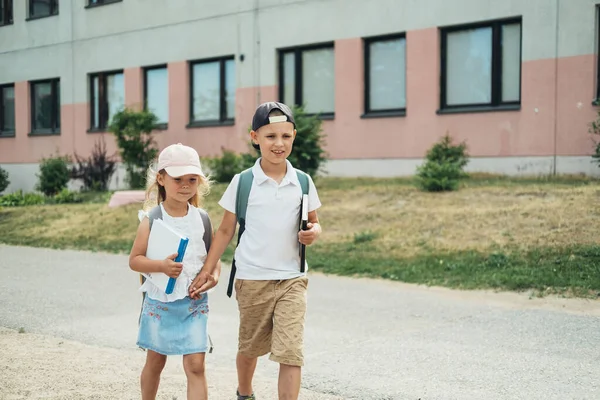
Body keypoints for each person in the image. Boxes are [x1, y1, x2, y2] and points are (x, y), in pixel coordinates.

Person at [189, 102, 323, 400]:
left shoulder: (302, 181)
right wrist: (207, 269)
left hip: (292, 278)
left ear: (294, 137)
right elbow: (225, 231)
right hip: (252, 279)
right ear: (255, 137)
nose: (279, 144)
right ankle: (245, 391)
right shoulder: (244, 182)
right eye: (271, 136)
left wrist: (313, 233)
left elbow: (314, 223)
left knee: (291, 352)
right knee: (250, 347)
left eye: (286, 137)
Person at [129, 143, 217, 400]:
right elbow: (135, 260)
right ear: (161, 178)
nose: (186, 185)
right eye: (178, 179)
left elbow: (212, 259)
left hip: (193, 306)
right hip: (160, 304)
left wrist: (213, 277)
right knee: (156, 363)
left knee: (196, 366)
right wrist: (161, 267)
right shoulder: (152, 219)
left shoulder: (202, 219)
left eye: (192, 179)